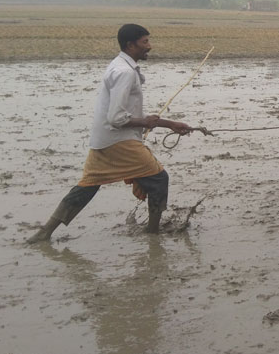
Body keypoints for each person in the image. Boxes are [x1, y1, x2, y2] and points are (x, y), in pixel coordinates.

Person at [27, 24, 192, 243]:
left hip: (102, 140)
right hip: (118, 140)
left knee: (87, 186)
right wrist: (146, 122)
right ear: (130, 45)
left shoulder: (120, 66)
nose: (149, 46)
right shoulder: (125, 72)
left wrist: (169, 124)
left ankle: (44, 233)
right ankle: (153, 234)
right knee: (158, 179)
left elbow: (123, 114)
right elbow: (116, 118)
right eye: (145, 42)